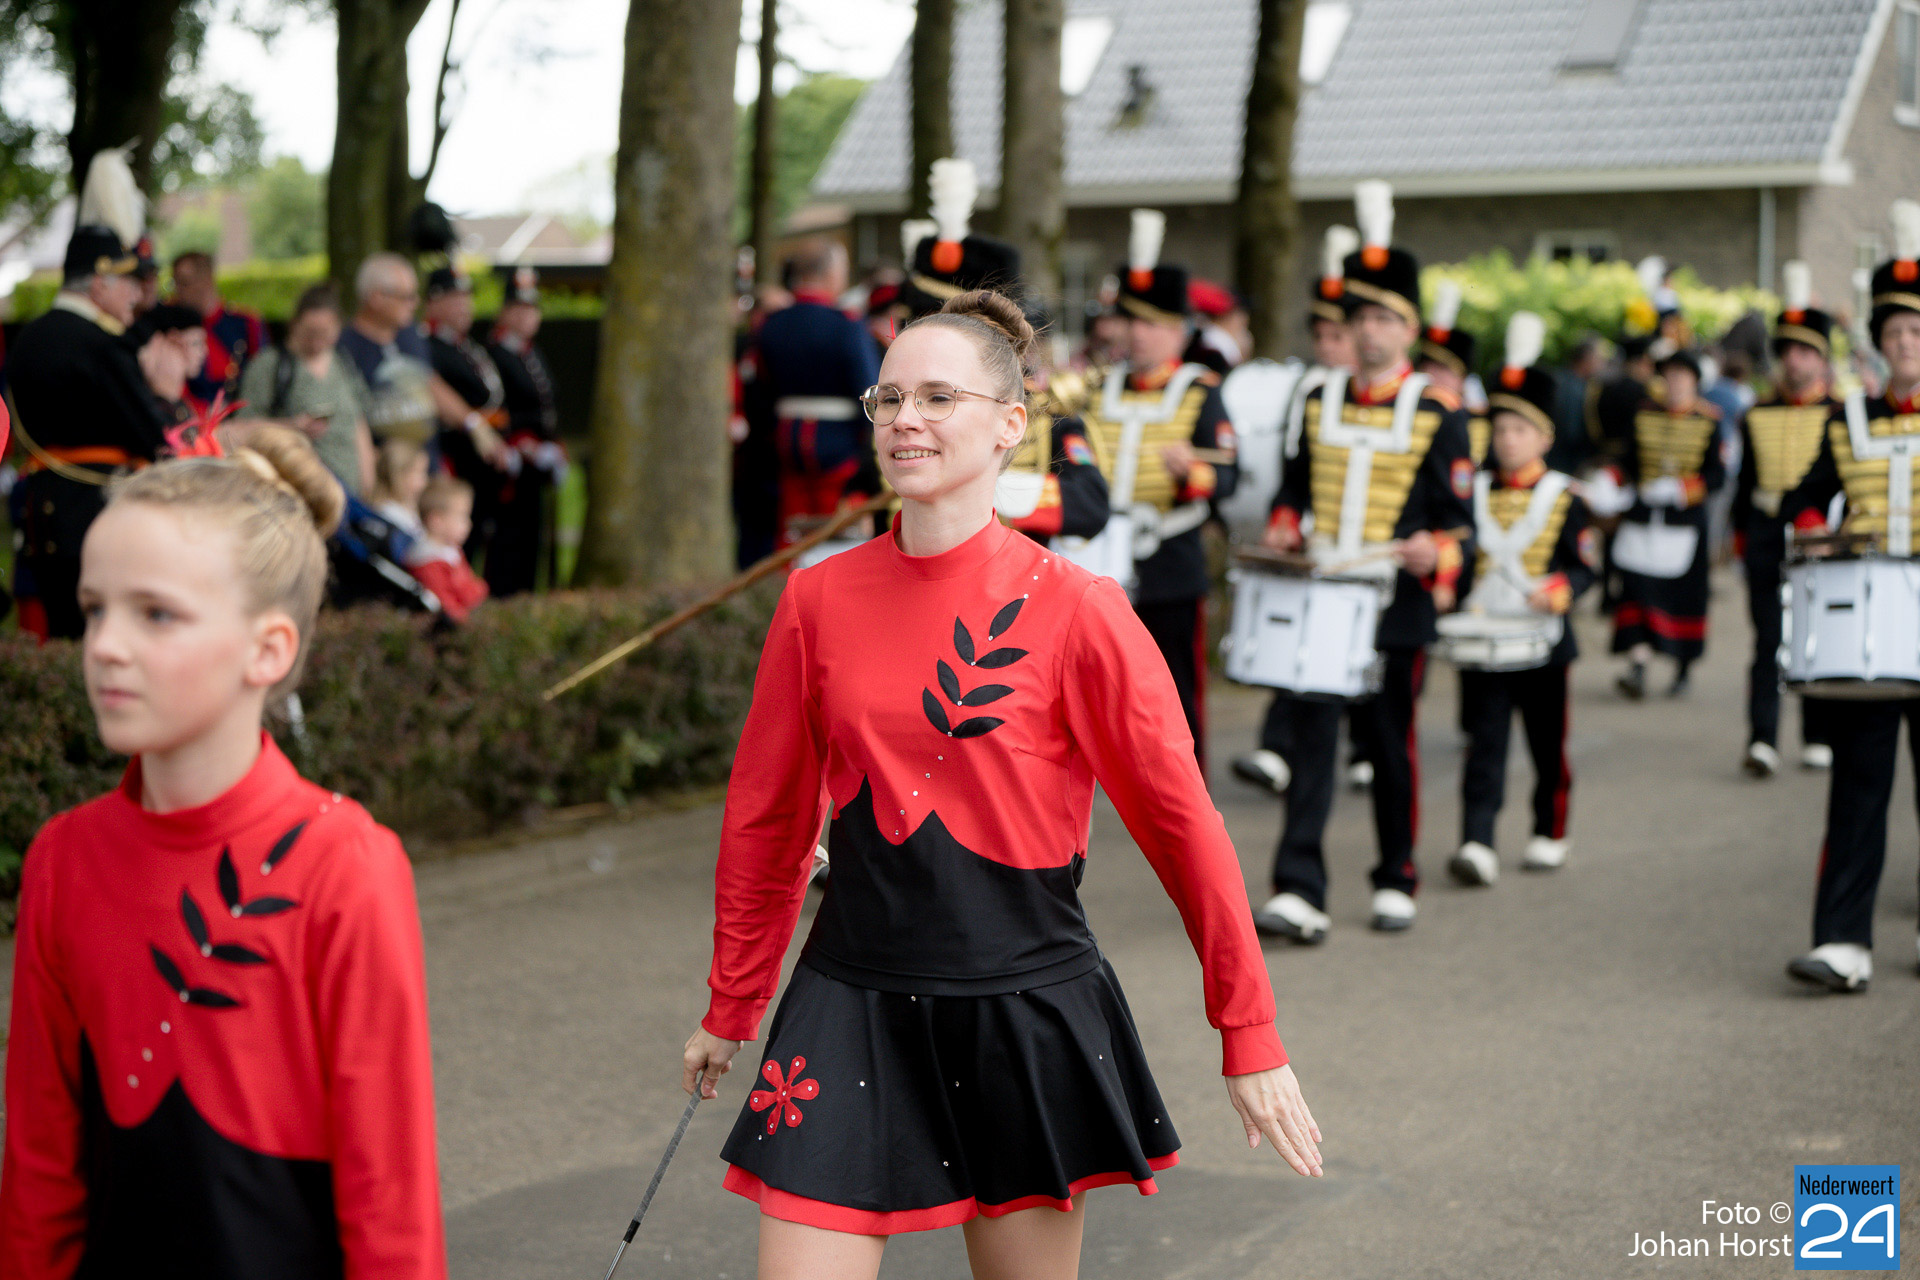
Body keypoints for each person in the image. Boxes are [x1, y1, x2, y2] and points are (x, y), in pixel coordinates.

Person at [682, 288, 1319, 1278]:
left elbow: (1183, 828)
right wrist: (734, 1000)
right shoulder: (816, 596)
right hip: (849, 996)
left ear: (1011, 424)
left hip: (1022, 1004)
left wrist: (1251, 1030)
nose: (906, 419)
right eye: (890, 398)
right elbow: (768, 816)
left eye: (939, 397)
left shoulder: (1080, 609)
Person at [0, 426, 445, 1275]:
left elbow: (391, 1199)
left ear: (268, 648)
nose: (106, 645)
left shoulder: (344, 865)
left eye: (156, 613)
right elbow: (39, 1173)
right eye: (95, 609)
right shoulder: (64, 860)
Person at [1255, 181, 1475, 941]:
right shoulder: (1317, 399)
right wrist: (1285, 523)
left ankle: (1395, 875)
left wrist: (1434, 550)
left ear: (1409, 328)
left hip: (1394, 604)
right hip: (1324, 594)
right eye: (1360, 318)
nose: (1369, 331)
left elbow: (1461, 523)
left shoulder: (1441, 412)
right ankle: (1298, 886)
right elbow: (1293, 488)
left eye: (1384, 318)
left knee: (1388, 744)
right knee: (1311, 737)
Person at [1780, 201, 1920, 992]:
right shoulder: (1848, 418)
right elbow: (1802, 499)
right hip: (1872, 630)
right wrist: (1816, 530)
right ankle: (1842, 941)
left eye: (1917, 331)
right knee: (1859, 785)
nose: (1906, 344)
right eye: (1895, 332)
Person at [1067, 210, 1237, 774]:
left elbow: (1228, 477)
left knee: (1177, 692)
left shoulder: (1201, 391)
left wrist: (1193, 473)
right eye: (1130, 321)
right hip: (1098, 559)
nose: (1138, 334)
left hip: (1169, 560)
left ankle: (1189, 791)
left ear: (1178, 330)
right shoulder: (1096, 389)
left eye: (1152, 323)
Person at [1446, 314, 1598, 886]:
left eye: (1520, 429)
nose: (1507, 439)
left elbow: (1584, 567)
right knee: (1483, 745)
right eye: (1500, 428)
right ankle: (1476, 839)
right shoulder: (1473, 493)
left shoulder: (1564, 497)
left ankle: (1549, 831)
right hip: (1485, 639)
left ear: (1545, 438)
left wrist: (1561, 589)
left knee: (1546, 745)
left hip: (1544, 643)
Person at [1232, 224, 1359, 800]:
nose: (1327, 346)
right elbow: (1295, 474)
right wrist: (1284, 519)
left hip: (1368, 548)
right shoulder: (1309, 393)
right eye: (1321, 335)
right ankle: (1278, 749)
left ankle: (1359, 753)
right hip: (1315, 541)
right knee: (1301, 650)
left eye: (1339, 335)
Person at [5, 212, 171, 638]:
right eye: (127, 282)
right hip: (100, 511)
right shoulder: (103, 345)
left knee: (64, 637)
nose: (135, 294)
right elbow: (154, 440)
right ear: (99, 285)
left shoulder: (27, 339)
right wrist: (164, 394)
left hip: (43, 513)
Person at [1731, 262, 1837, 777]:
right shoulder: (1756, 413)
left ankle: (1817, 733)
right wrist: (1741, 537)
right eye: (1788, 351)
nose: (1794, 361)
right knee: (1767, 641)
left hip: (1819, 537)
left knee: (1817, 637)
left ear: (1821, 359)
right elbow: (1746, 482)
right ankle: (1762, 738)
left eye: (1805, 351)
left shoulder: (1840, 413)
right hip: (1767, 536)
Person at [1610, 347, 1724, 699]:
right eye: (1669, 376)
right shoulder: (1643, 414)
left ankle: (1682, 668)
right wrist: (1612, 483)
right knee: (1636, 590)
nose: (1674, 383)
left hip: (1684, 524)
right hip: (1642, 519)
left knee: (1684, 597)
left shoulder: (1708, 420)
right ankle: (1638, 665)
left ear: (1694, 382)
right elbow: (1626, 461)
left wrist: (1681, 490)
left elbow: (1717, 475)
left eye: (1681, 376)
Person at [754, 237, 882, 550]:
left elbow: (761, 392)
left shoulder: (772, 325)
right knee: (836, 530)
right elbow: (869, 390)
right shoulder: (847, 326)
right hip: (839, 442)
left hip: (787, 439)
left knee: (793, 528)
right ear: (831, 274)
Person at [338, 253, 509, 472]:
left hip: (427, 468)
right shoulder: (344, 349)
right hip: (385, 476)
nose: (415, 303)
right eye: (407, 296)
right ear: (376, 298)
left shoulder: (409, 334)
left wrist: (473, 424)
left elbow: (428, 381)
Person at [240, 283, 377, 498]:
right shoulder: (270, 366)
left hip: (351, 492)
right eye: (310, 332)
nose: (317, 342)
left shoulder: (342, 361)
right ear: (295, 325)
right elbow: (244, 427)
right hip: (299, 491)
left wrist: (369, 482)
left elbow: (358, 421)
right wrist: (292, 426)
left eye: (325, 333)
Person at [483, 267, 568, 595]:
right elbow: (498, 410)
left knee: (535, 539)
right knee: (510, 541)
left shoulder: (531, 352)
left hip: (538, 462)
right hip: (512, 463)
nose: (529, 316)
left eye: (532, 308)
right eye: (520, 308)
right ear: (505, 312)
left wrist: (553, 446)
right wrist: (521, 444)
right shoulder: (495, 353)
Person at [171, 250, 269, 408]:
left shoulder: (246, 323)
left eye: (184, 283)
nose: (178, 291)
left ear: (207, 280)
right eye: (175, 283)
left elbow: (262, 379)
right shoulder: (171, 324)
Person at [406, 475, 489, 623]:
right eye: (462, 516)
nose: (469, 524)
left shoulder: (451, 551)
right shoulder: (428, 563)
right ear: (437, 521)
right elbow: (446, 608)